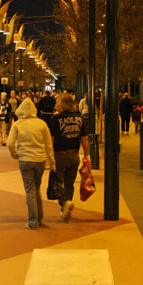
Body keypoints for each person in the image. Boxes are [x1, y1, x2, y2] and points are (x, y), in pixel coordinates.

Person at [8, 98, 56, 229]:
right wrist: (52, 162)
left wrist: (14, 154)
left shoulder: (18, 124)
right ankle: (39, 218)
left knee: (30, 190)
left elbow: (10, 143)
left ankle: (33, 221)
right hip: (40, 160)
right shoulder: (41, 124)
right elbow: (48, 145)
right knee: (37, 188)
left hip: (25, 159)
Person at [48, 93, 90, 221]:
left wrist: (50, 157)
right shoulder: (80, 118)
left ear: (62, 105)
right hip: (74, 155)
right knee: (69, 184)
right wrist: (86, 155)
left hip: (59, 155)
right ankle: (66, 209)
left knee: (56, 183)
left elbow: (51, 139)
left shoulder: (55, 119)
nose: (55, 105)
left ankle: (64, 204)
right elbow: (85, 139)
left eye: (57, 103)